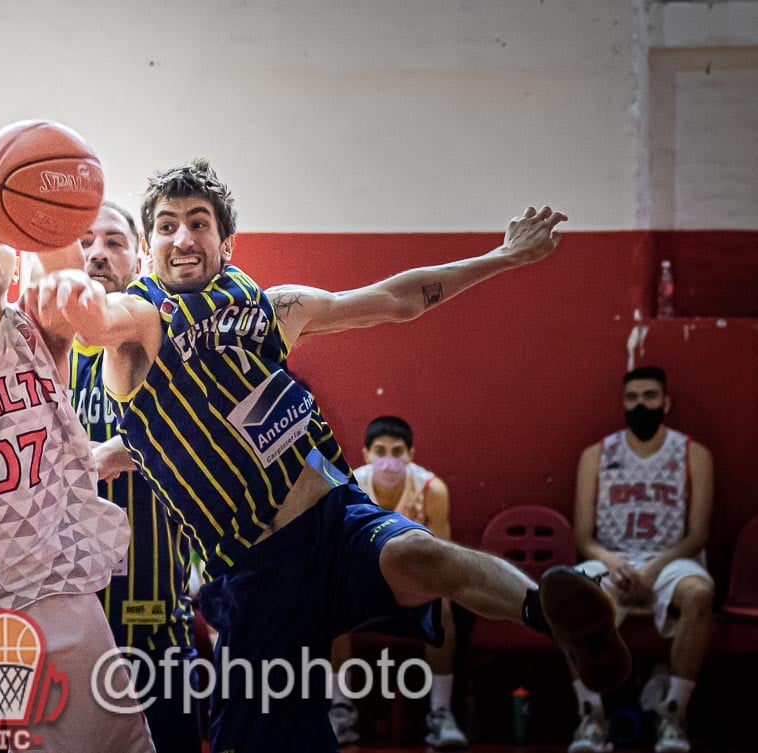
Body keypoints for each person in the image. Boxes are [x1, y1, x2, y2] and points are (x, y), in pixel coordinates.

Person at [36, 158, 631, 753]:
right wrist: (68, 279)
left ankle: (549, 613)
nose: (184, 238)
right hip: (255, 572)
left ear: (227, 241)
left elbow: (396, 299)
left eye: (199, 222)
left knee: (421, 554)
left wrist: (502, 257)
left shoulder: (272, 310)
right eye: (167, 226)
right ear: (148, 248)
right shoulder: (144, 320)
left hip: (335, 520)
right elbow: (98, 322)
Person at [0, 154, 152, 749]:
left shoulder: (34, 331)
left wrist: (45, 191)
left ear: (14, 257)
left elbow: (63, 269)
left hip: (60, 584)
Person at [70, 201, 202, 753]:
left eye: (114, 242)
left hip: (153, 610)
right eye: (84, 241)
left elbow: (188, 437)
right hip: (65, 611)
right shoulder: (35, 352)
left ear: (142, 255)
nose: (97, 253)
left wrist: (101, 456)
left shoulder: (173, 340)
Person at [567, 366, 714, 753]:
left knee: (699, 593)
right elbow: (583, 535)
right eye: (632, 398)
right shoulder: (596, 455)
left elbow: (697, 534)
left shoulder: (692, 454)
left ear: (666, 403)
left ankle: (672, 714)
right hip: (612, 559)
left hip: (669, 560)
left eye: (649, 397)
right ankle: (591, 717)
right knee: (568, 593)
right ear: (623, 403)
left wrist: (653, 570)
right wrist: (612, 563)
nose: (640, 405)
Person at [326, 416, 467, 748]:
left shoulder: (432, 491)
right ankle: (341, 708)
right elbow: (339, 559)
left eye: (397, 450)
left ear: (411, 454)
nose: (388, 459)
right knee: (330, 600)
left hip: (416, 587)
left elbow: (442, 563)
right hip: (364, 583)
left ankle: (441, 713)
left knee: (443, 607)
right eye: (380, 450)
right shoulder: (349, 489)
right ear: (365, 454)